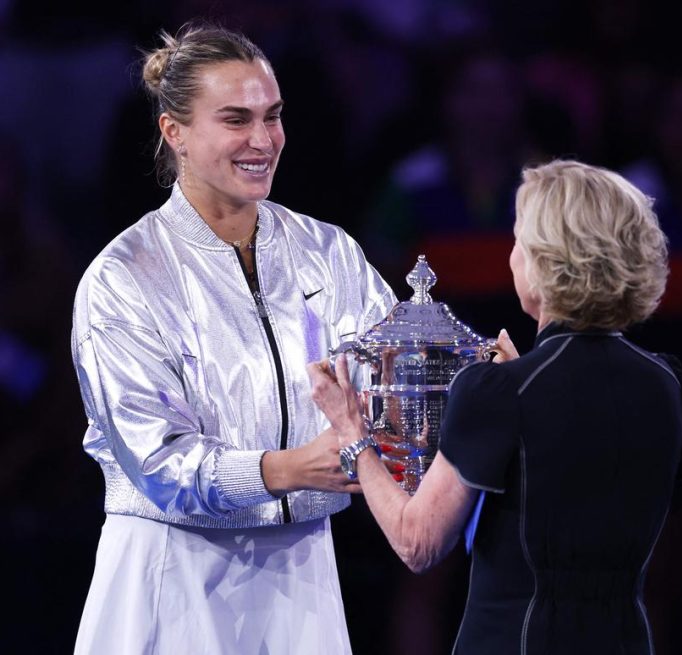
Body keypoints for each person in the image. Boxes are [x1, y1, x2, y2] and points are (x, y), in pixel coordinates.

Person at [71, 22, 395, 654]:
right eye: (235, 119)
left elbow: (391, 378)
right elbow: (157, 460)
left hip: (305, 573)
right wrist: (287, 469)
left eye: (272, 117)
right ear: (175, 133)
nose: (262, 140)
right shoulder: (123, 276)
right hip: (173, 572)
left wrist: (472, 380)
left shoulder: (330, 253)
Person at [309, 159, 682, 654]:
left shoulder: (500, 391)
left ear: (547, 260)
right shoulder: (668, 382)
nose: (512, 256)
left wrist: (352, 429)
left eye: (519, 240)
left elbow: (417, 543)